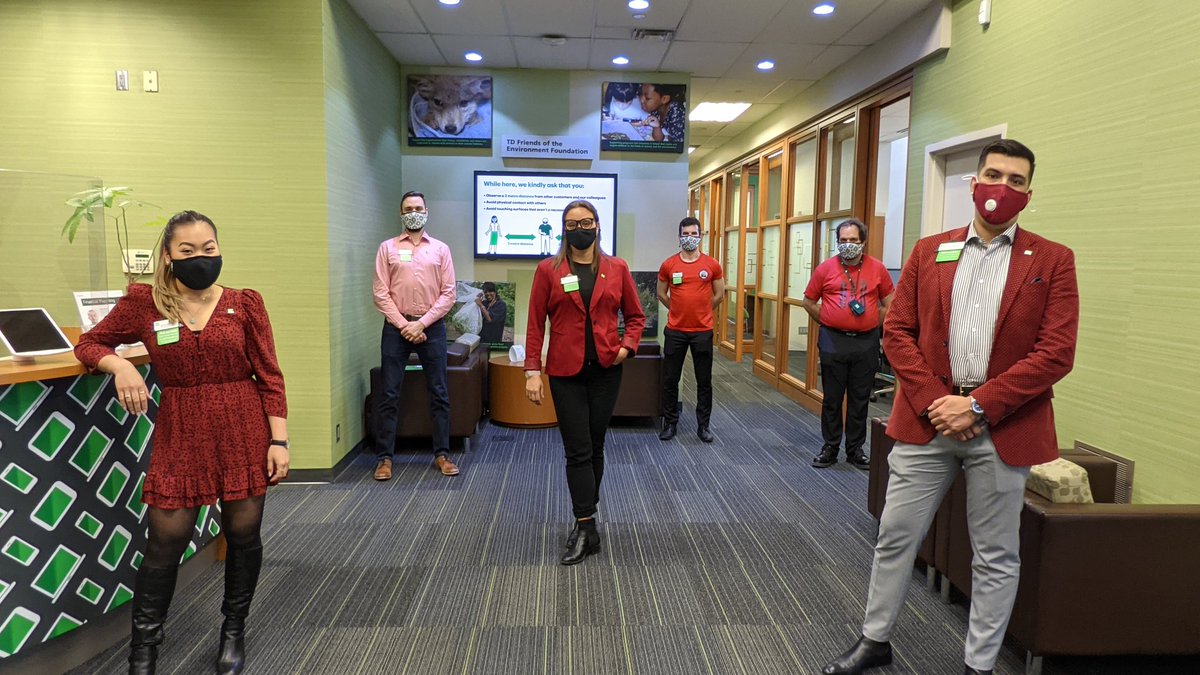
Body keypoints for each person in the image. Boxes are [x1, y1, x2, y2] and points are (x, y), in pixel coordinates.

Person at [821, 139, 1079, 675]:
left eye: (1016, 180)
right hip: (927, 419)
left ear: (1029, 192)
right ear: (973, 182)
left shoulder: (1052, 260)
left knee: (995, 555)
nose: (1001, 188)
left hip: (1004, 427)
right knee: (896, 533)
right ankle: (875, 640)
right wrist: (939, 400)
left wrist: (979, 406)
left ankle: (978, 664)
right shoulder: (929, 250)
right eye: (993, 175)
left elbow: (1055, 354)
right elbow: (898, 332)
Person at [75, 211, 289, 675]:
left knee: (242, 534)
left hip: (242, 426)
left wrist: (279, 440)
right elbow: (89, 343)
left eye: (209, 249)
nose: (200, 258)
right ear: (168, 256)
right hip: (181, 428)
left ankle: (233, 631)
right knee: (165, 540)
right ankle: (144, 647)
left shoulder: (245, 303)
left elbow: (270, 376)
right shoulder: (145, 303)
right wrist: (121, 365)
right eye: (188, 251)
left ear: (219, 248)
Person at [524, 200, 645, 565]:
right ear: (563, 228)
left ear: (597, 225)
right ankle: (586, 523)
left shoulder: (617, 267)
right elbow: (534, 323)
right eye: (573, 223)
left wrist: (626, 348)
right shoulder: (548, 270)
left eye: (587, 221)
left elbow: (636, 317)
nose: (580, 228)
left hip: (607, 370)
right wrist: (532, 371)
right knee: (577, 449)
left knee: (595, 446)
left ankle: (585, 523)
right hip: (566, 373)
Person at [372, 191, 459, 480]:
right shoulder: (387, 248)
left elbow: (449, 294)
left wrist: (421, 324)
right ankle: (385, 458)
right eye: (408, 208)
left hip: (431, 328)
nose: (414, 212)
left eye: (418, 208)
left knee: (439, 392)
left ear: (426, 212)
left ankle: (442, 454)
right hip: (395, 328)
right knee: (388, 394)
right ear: (401, 214)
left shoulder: (441, 249)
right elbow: (380, 293)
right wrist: (404, 325)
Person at [801, 219, 894, 469]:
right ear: (837, 242)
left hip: (866, 343)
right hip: (833, 341)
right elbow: (809, 301)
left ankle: (855, 449)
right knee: (832, 398)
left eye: (853, 240)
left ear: (862, 241)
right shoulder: (825, 269)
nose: (848, 245)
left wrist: (874, 322)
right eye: (843, 240)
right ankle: (830, 447)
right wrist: (829, 319)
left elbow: (889, 302)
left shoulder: (878, 268)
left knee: (859, 397)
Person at [656, 216, 724, 442]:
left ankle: (703, 426)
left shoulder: (711, 265)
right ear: (679, 237)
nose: (689, 238)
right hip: (675, 330)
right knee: (670, 380)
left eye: (693, 234)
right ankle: (670, 423)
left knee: (704, 381)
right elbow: (660, 293)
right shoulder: (669, 264)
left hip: (702, 332)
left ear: (700, 236)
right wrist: (676, 308)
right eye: (685, 234)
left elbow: (719, 295)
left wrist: (703, 309)